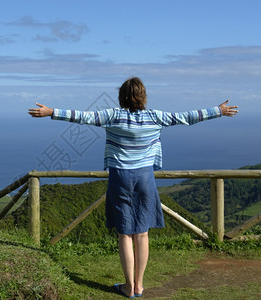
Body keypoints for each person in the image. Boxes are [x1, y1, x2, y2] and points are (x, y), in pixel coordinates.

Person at [28, 77, 238, 298]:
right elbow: (186, 118)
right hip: (145, 177)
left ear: (122, 97)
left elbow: (83, 117)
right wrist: (218, 110)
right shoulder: (155, 117)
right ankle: (139, 285)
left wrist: (51, 112)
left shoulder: (112, 116)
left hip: (120, 177)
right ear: (143, 96)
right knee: (142, 233)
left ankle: (129, 287)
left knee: (125, 234)